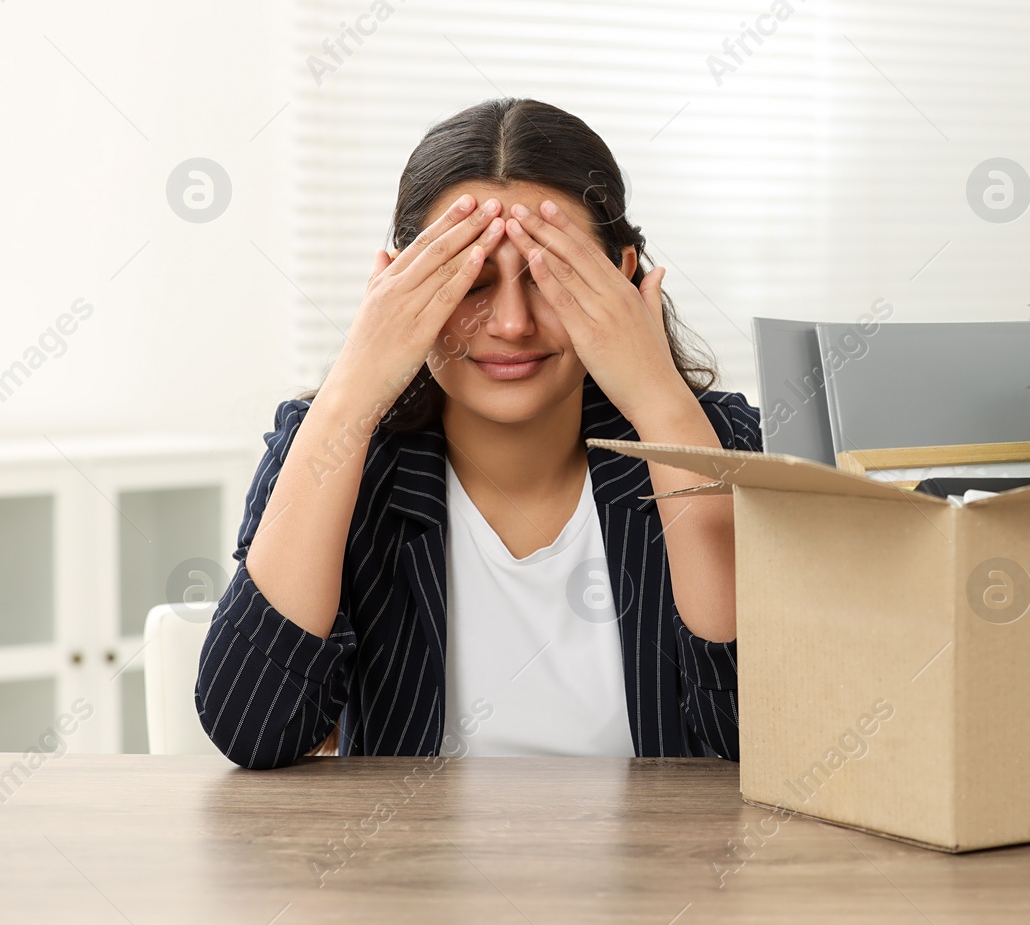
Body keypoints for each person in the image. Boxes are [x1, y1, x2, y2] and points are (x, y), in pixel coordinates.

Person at [196, 97, 759, 769]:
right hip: (411, 870)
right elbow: (253, 729)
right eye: (472, 281)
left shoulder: (717, 440)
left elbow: (753, 740)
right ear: (401, 288)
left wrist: (660, 402)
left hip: (665, 872)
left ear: (623, 277)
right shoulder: (334, 448)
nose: (513, 324)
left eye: (551, 279)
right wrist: (352, 391)